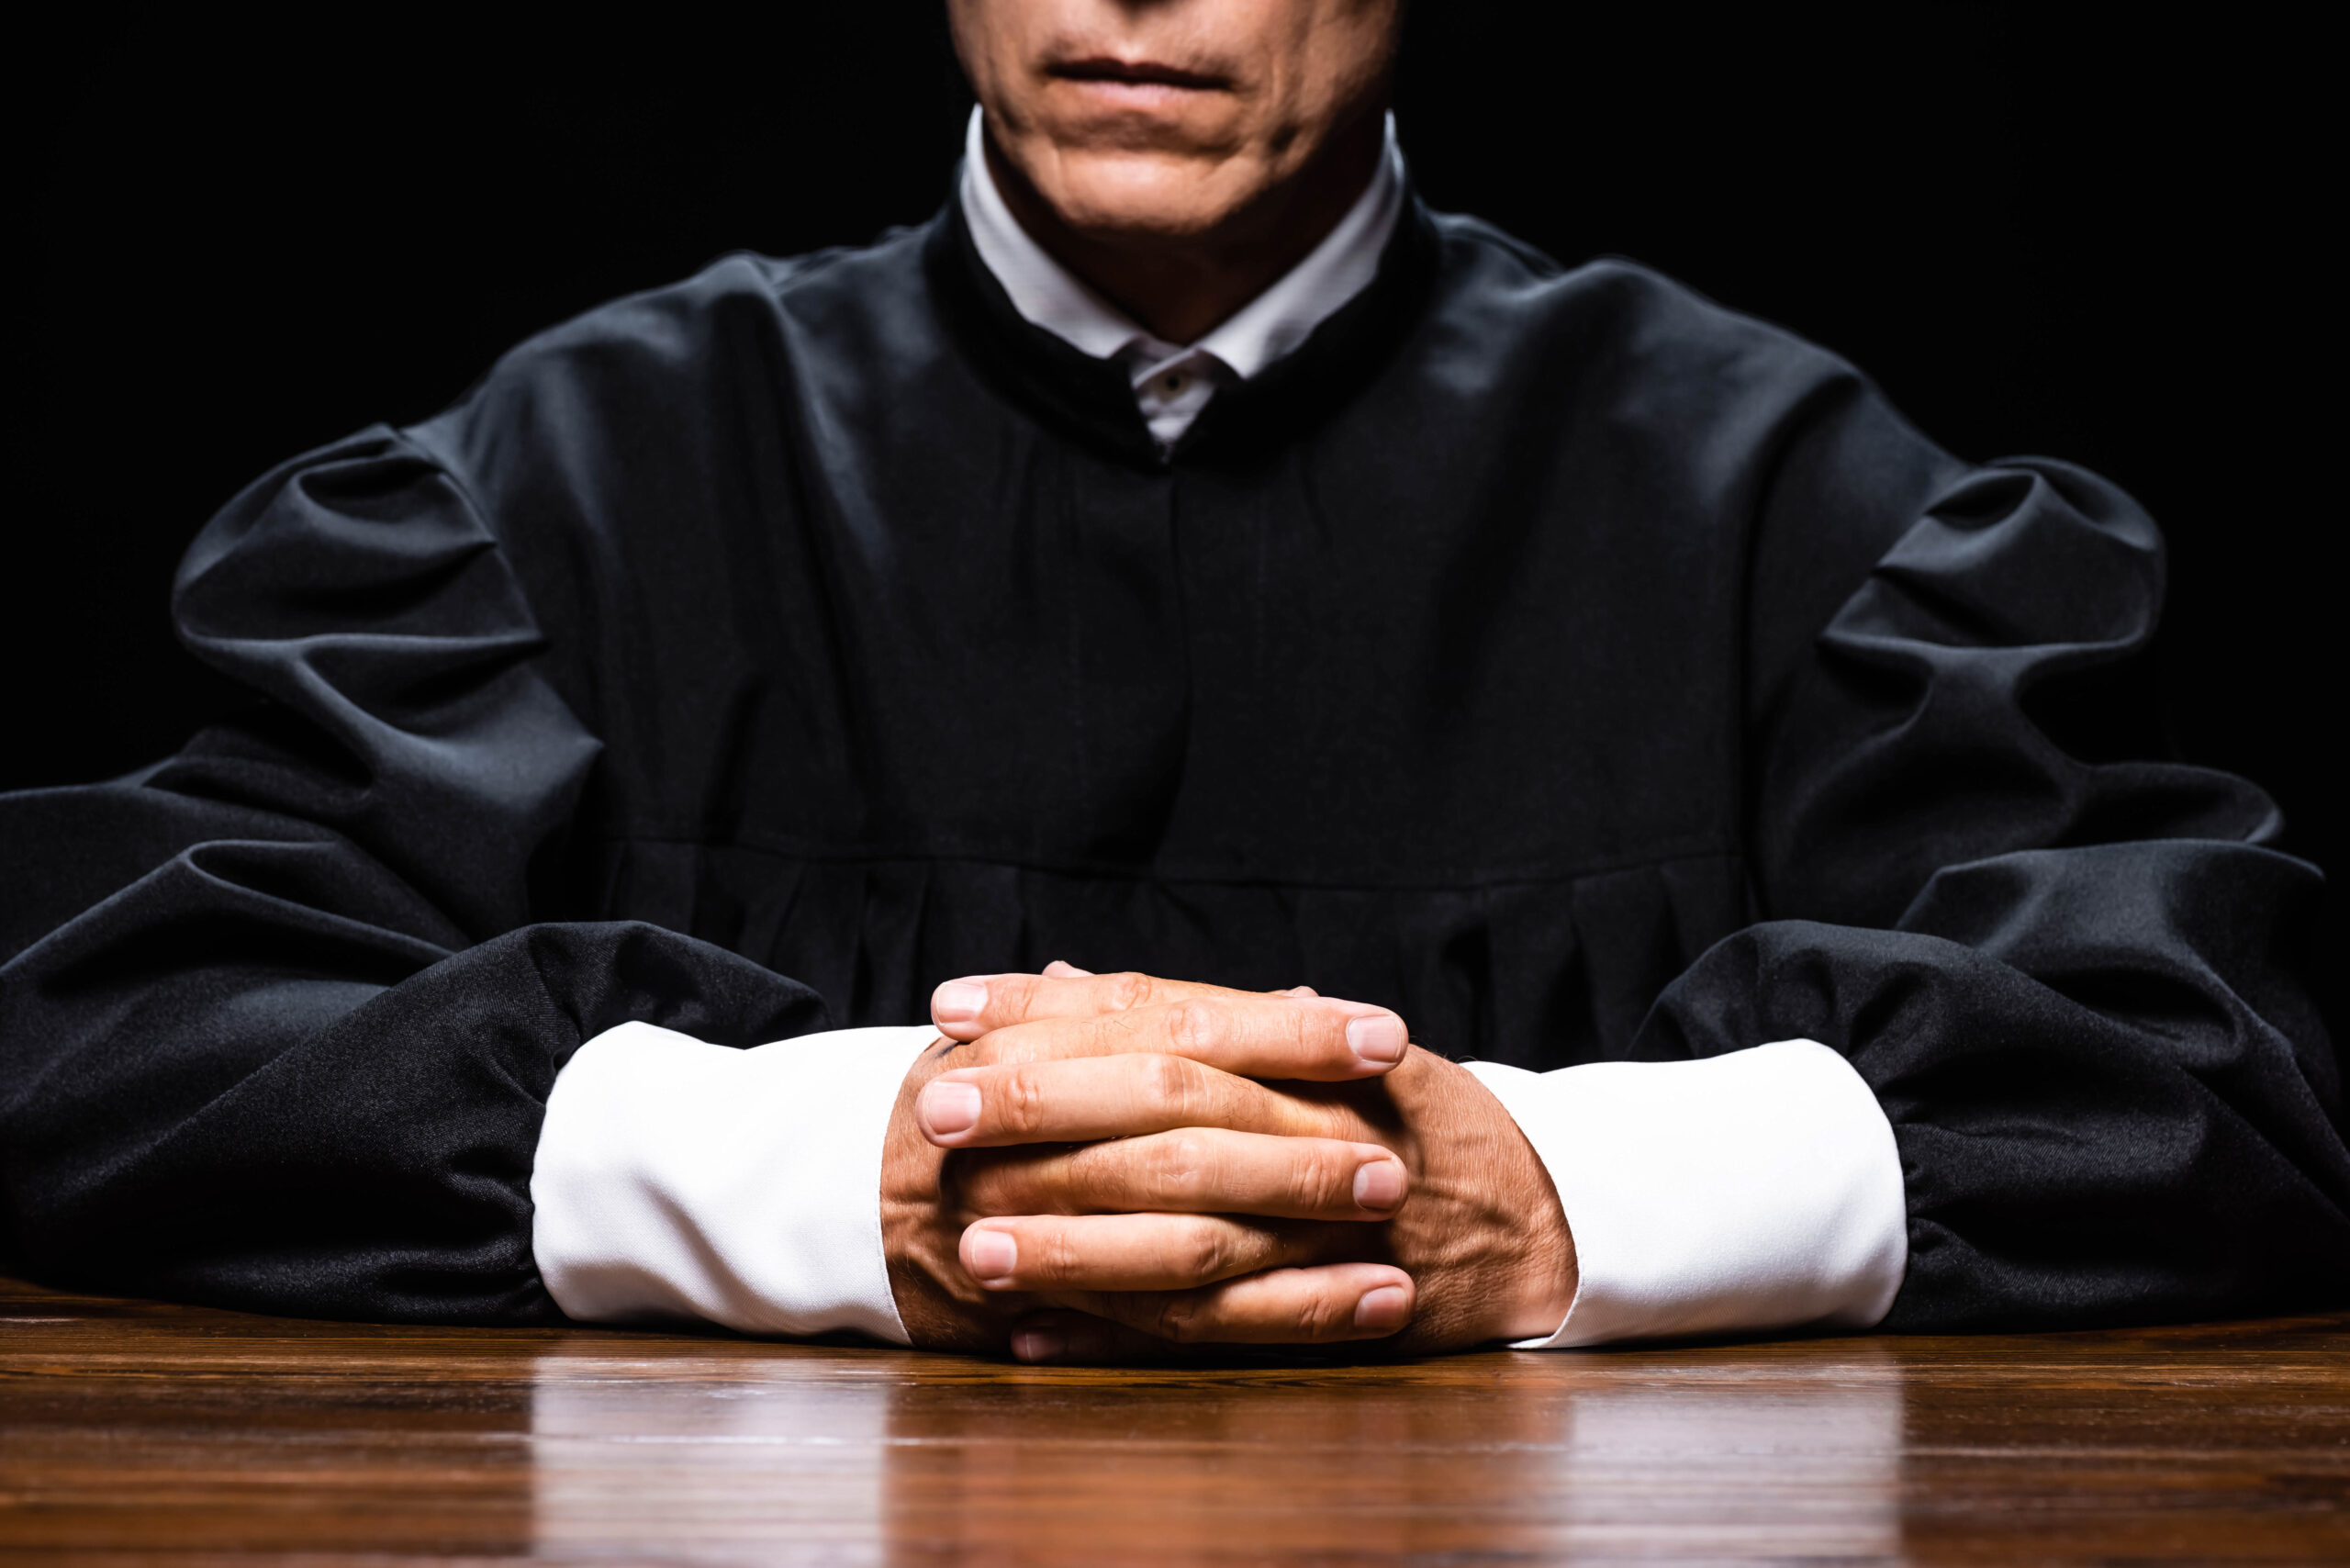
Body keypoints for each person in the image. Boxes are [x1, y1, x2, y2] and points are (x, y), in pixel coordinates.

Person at [2, 0, 2342, 1362]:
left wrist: (1555, 1198)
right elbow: (111, 1023)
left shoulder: (1807, 514)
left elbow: (2209, 1063)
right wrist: (826, 1181)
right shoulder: (551, 490)